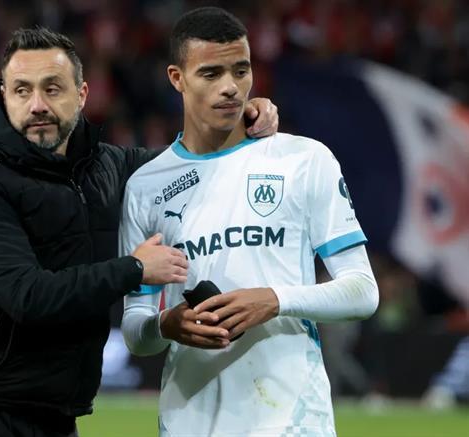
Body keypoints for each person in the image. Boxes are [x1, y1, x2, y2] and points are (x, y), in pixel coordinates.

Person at [0, 26, 279, 437]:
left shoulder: (103, 167)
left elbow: (187, 166)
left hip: (54, 411)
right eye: (22, 90)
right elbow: (27, 296)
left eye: (52, 89)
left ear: (82, 95)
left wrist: (239, 120)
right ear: (4, 95)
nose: (37, 105)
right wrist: (134, 269)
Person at [120, 7, 379, 437]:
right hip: (191, 421)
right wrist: (166, 325)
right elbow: (136, 328)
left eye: (241, 70)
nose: (230, 87)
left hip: (293, 422)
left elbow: (363, 291)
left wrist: (274, 300)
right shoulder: (146, 187)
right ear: (177, 78)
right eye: (210, 73)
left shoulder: (303, 159)